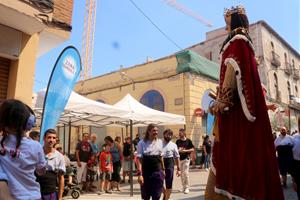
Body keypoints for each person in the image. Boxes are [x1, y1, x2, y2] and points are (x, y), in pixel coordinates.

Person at [205, 6, 284, 199]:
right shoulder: (245, 44)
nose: (225, 29)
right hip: (241, 120)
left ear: (235, 22)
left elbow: (231, 80)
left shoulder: (236, 43)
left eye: (227, 23)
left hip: (234, 122)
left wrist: (217, 104)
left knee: (222, 184)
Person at [0, 99, 46, 200]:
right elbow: (41, 171)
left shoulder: (1, 142)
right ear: (29, 122)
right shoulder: (36, 146)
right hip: (33, 196)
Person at [137, 124, 165, 200]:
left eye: (156, 131)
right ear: (148, 131)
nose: (156, 132)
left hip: (157, 173)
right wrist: (140, 174)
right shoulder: (141, 143)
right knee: (146, 196)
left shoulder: (160, 142)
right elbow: (139, 159)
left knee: (157, 195)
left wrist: (163, 170)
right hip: (146, 174)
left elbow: (161, 157)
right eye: (154, 131)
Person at [36, 129, 65, 200]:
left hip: (51, 194)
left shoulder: (59, 156)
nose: (51, 140)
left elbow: (61, 178)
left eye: (54, 138)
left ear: (56, 140)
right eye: (49, 137)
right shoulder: (36, 153)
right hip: (36, 193)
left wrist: (60, 197)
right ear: (44, 138)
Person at [162, 129, 181, 200]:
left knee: (169, 183)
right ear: (164, 134)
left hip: (169, 163)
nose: (169, 136)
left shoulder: (174, 145)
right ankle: (165, 194)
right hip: (160, 163)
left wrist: (178, 169)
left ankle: (166, 198)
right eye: (167, 134)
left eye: (170, 134)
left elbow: (177, 157)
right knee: (158, 181)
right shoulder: (159, 143)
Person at [176, 128, 194, 194]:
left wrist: (185, 151)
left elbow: (192, 149)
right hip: (179, 159)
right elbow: (176, 149)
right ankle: (183, 187)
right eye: (179, 133)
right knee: (181, 174)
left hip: (186, 158)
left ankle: (187, 188)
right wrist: (179, 150)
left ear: (184, 133)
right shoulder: (177, 141)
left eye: (180, 133)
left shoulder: (188, 141)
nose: (179, 134)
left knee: (185, 173)